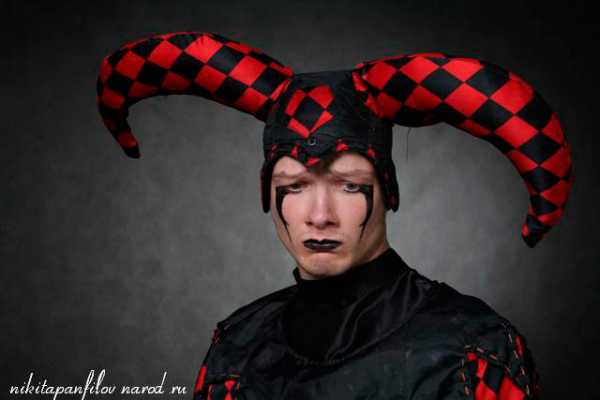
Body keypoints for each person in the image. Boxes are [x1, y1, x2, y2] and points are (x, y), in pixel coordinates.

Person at [96, 32, 573, 399]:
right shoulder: (235, 351)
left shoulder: (472, 354)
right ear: (267, 194)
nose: (319, 215)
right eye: (294, 186)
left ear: (387, 192)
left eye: (348, 185)